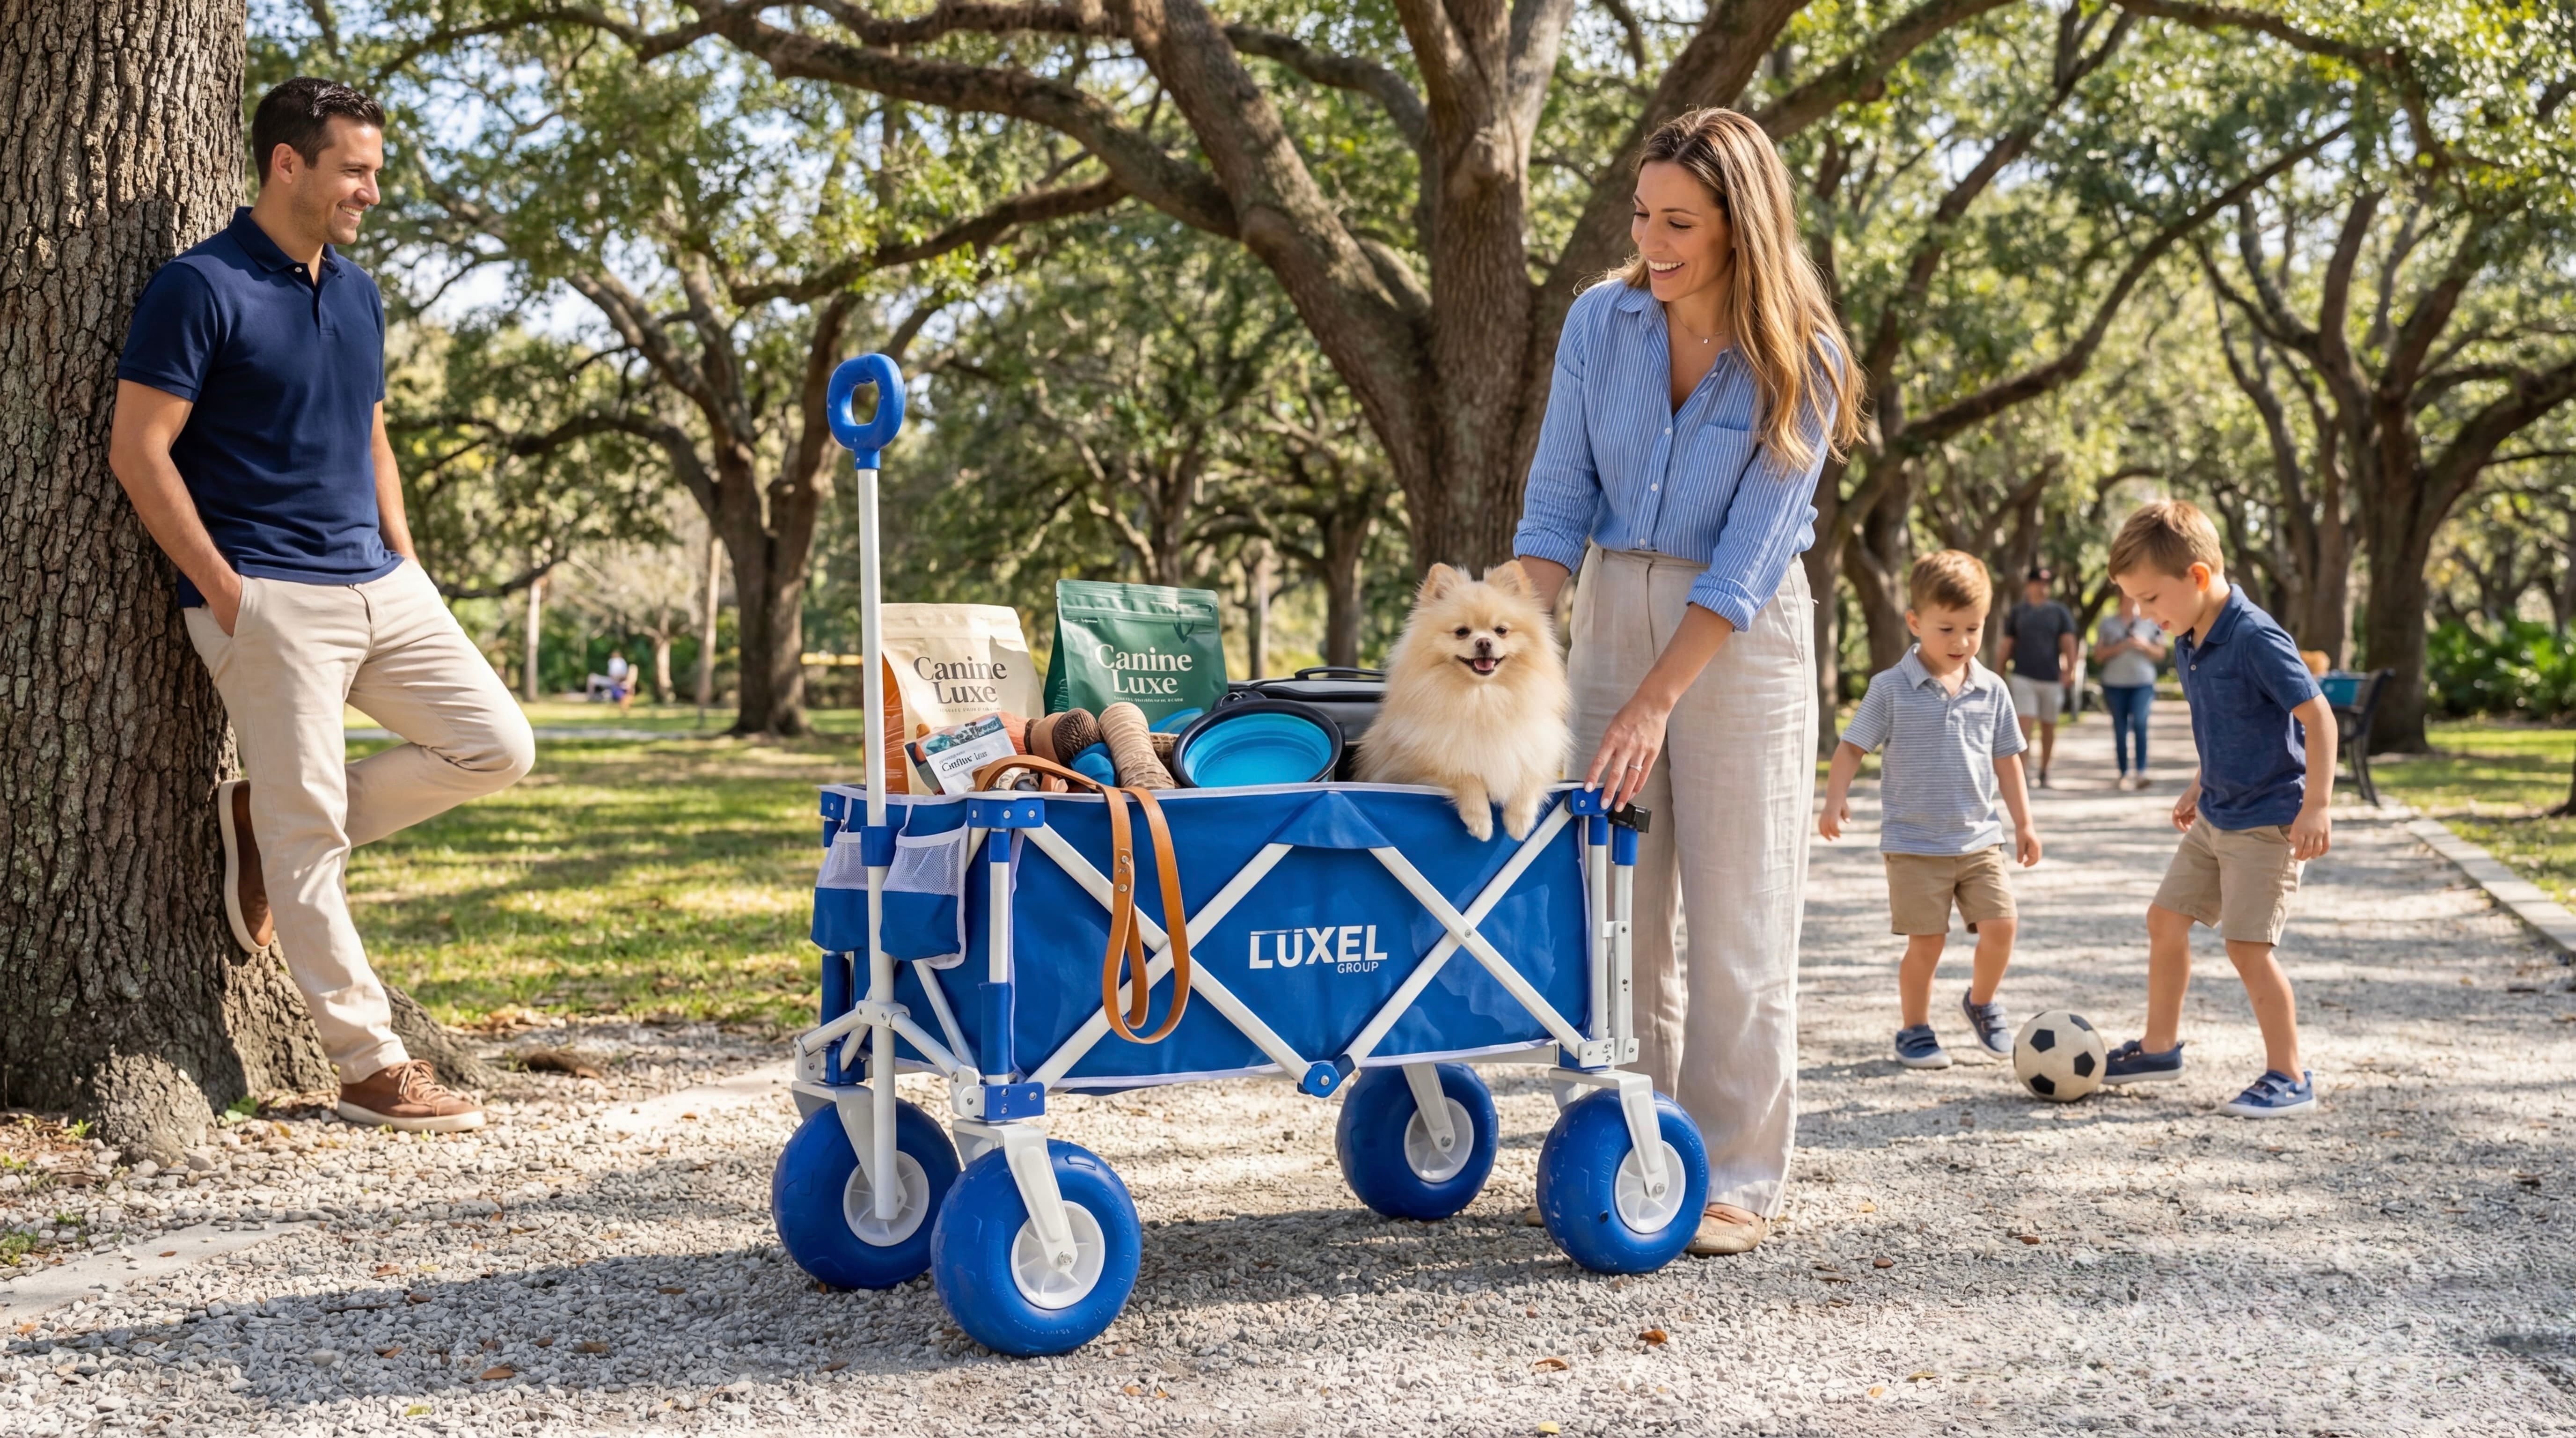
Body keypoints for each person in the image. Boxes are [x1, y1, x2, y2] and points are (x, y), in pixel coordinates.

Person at [108, 78, 534, 1133]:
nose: (371, 192)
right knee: (313, 838)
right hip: (268, 594)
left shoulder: (357, 291)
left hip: (380, 584)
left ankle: (250, 818)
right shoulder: (198, 286)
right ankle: (366, 1064)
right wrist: (228, 595)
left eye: (374, 171)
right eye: (355, 169)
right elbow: (138, 450)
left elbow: (373, 434)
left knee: (497, 745)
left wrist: (407, 561)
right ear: (287, 164)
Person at [1514, 108, 1862, 1256]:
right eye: (1641, 215)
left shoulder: (1802, 357)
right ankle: (1621, 1143)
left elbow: (1753, 557)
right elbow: (1559, 506)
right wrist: (1503, 642)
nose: (1650, 243)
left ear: (1741, 228)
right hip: (1615, 603)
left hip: (1739, 638)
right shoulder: (1596, 324)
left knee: (1736, 920)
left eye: (1679, 223)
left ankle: (1735, 1173)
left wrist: (1653, 701)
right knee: (1611, 910)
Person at [2098, 500, 2334, 1117]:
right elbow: (2227, 721)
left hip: (2269, 821)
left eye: (2151, 600)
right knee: (2165, 920)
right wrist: (2202, 781)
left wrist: (2318, 806)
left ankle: (2290, 1075)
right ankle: (2158, 1046)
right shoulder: (2188, 635)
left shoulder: (2254, 637)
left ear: (2197, 577)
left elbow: (2319, 716)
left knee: (2248, 948)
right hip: (2218, 812)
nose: (2146, 617)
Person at [1819, 551, 2041, 1070]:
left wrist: (2024, 824)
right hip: (1914, 845)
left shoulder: (1992, 689)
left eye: (1973, 628)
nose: (1961, 642)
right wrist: (1834, 799)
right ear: (1915, 623)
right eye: (1947, 629)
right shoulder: (1889, 689)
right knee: (1927, 944)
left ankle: (1981, 1003)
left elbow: (2007, 761)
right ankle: (1914, 1029)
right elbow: (1851, 748)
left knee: (2001, 925)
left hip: (1978, 839)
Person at [1996, 567, 2078, 787]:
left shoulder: (2059, 612)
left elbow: (2069, 642)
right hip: (2024, 676)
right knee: (2025, 724)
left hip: (2051, 678)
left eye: (2046, 583)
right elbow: (2007, 645)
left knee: (2049, 726)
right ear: (2028, 585)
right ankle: (2022, 772)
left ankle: (2045, 771)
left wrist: (2070, 670)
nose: (2042, 587)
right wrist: (1998, 674)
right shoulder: (2018, 613)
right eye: (2038, 583)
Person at [2093, 590, 2167, 790]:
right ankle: (2123, 773)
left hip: (2143, 683)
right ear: (2120, 600)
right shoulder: (2108, 623)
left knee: (2141, 724)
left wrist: (2144, 645)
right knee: (2120, 728)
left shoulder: (2150, 622)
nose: (2131, 604)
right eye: (2127, 599)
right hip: (2114, 683)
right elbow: (2098, 655)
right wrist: (2121, 646)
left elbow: (2161, 653)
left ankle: (2141, 772)